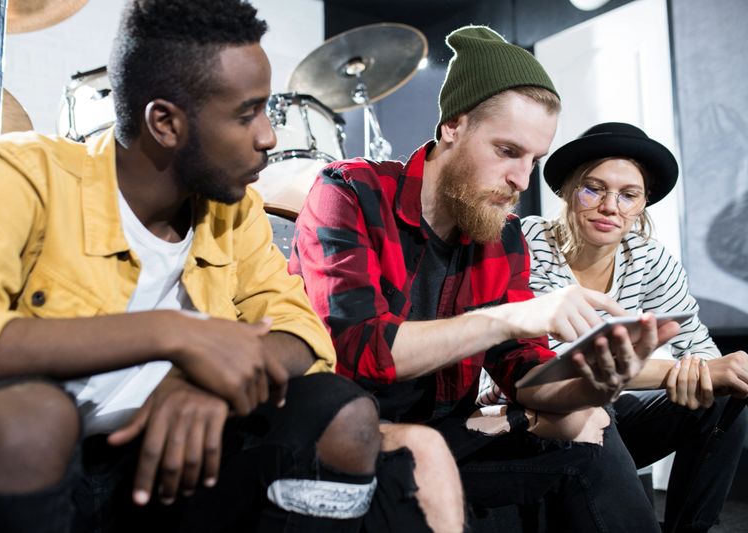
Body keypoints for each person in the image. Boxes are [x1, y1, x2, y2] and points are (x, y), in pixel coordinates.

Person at [0, 1, 461, 531]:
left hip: (171, 464)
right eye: (247, 113)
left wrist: (206, 378)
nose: (268, 137)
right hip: (48, 468)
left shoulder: (232, 209)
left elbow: (303, 331)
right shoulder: (23, 173)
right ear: (165, 123)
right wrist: (169, 335)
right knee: (26, 423)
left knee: (343, 411)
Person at [290, 25, 682, 532]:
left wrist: (588, 380)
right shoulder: (349, 192)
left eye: (533, 160)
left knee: (592, 430)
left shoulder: (505, 235)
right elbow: (361, 348)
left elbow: (523, 375)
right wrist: (511, 317)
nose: (522, 179)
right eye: (507, 151)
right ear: (453, 126)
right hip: (349, 439)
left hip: (449, 433)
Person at [513, 121, 748, 532]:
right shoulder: (527, 242)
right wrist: (683, 371)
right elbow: (554, 364)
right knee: (592, 406)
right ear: (567, 189)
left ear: (642, 205)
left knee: (724, 397)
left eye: (628, 195)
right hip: (544, 417)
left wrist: (708, 372)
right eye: (594, 188)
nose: (610, 206)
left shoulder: (650, 259)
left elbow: (694, 342)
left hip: (615, 419)